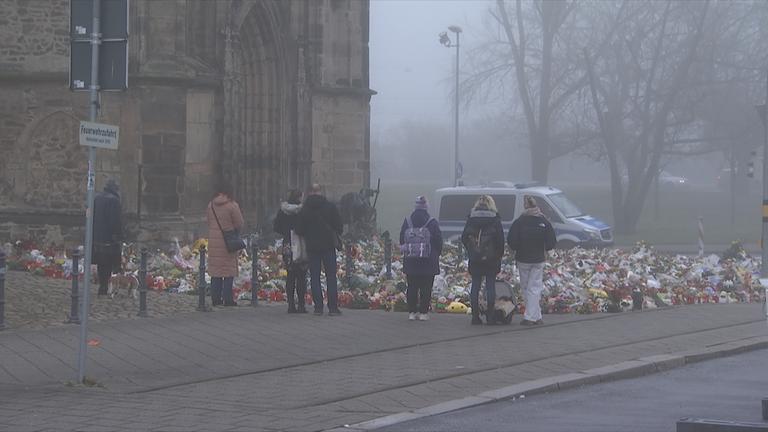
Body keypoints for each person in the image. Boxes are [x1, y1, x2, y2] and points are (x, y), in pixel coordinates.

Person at [507, 195, 557, 326]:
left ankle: (529, 317)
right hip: (538, 258)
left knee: (526, 287)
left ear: (525, 206)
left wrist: (516, 248)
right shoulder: (544, 221)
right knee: (535, 287)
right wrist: (546, 248)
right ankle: (537, 315)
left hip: (523, 258)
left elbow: (511, 240)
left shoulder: (520, 221)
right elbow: (551, 240)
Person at [296, 184, 343, 316]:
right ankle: (333, 308)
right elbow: (339, 227)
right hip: (328, 246)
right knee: (331, 277)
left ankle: (318, 307)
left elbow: (299, 230)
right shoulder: (330, 207)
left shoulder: (305, 209)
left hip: (312, 247)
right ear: (321, 192)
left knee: (315, 277)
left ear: (310, 192)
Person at [461, 195, 505, 325]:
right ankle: (490, 317)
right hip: (491, 259)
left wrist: (471, 250)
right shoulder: (495, 219)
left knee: (475, 285)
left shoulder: (471, 218)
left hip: (475, 259)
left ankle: (475, 316)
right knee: (490, 285)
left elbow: (464, 238)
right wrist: (498, 255)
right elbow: (500, 241)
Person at [399, 196, 443, 321]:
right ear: (426, 207)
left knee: (412, 286)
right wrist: (436, 253)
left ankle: (412, 312)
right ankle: (423, 313)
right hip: (428, 260)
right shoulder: (432, 222)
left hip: (411, 260)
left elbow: (402, 238)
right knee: (426, 287)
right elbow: (439, 240)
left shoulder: (408, 221)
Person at [206, 183, 245, 306]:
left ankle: (216, 299)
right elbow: (239, 223)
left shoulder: (211, 205)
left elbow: (209, 221)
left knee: (216, 272)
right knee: (228, 271)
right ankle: (228, 299)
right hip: (228, 241)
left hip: (213, 241)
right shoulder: (232, 205)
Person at [274, 189, 309, 314]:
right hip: (301, 244)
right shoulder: (303, 210)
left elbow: (276, 225)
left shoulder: (283, 210)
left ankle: (290, 305)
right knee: (301, 275)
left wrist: (286, 231)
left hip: (288, 244)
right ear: (299, 197)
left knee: (290, 275)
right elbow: (307, 226)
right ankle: (301, 305)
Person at [92, 179, 123, 296]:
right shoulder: (114, 201)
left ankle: (103, 285)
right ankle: (106, 286)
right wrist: (118, 235)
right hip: (109, 238)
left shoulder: (97, 198)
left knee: (101, 263)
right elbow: (115, 221)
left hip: (98, 237)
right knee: (109, 263)